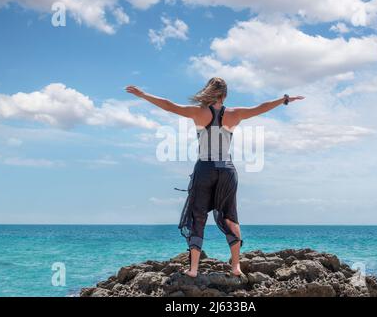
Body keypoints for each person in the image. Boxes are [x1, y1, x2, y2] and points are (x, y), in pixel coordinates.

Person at [126, 77, 305, 277]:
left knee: (198, 216)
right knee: (230, 216)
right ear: (225, 95)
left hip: (205, 168)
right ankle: (236, 267)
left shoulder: (199, 112)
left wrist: (142, 95)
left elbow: (169, 106)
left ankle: (193, 269)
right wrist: (284, 99)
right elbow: (261, 107)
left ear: (208, 91)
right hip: (227, 170)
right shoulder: (235, 114)